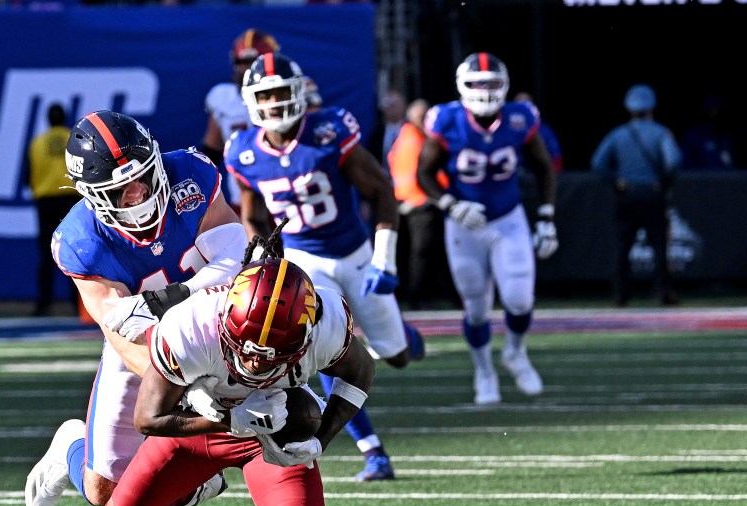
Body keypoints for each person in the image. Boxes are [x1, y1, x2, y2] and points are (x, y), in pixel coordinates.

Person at [23, 110, 361, 506]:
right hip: (148, 353)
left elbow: (232, 263)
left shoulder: (191, 177)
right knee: (102, 492)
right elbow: (125, 334)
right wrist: (185, 384)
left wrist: (173, 301)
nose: (137, 195)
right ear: (95, 196)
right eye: (121, 190)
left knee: (291, 442)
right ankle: (71, 448)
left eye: (141, 177)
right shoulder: (79, 241)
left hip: (226, 325)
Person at [99, 247, 373, 506]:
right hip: (198, 425)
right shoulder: (191, 327)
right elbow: (149, 418)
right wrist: (227, 419)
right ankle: (77, 443)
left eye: (270, 356)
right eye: (244, 348)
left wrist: (322, 441)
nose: (252, 363)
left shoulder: (326, 324)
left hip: (274, 429)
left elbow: (360, 371)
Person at [224, 51, 425, 483]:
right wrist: (263, 262)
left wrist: (384, 256)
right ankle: (374, 452)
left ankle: (407, 338)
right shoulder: (241, 150)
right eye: (267, 96)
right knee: (326, 350)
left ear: (299, 94)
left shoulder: (329, 129)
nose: (276, 105)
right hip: (302, 261)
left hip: (354, 253)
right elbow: (252, 214)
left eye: (283, 94)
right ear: (251, 101)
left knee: (397, 355)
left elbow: (382, 190)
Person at [416, 52, 558, 406]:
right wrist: (452, 204)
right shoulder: (447, 120)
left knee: (520, 298)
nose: (485, 90)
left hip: (508, 218)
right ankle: (483, 370)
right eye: (478, 83)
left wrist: (547, 216)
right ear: (463, 87)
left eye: (492, 83)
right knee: (476, 307)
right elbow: (424, 173)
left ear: (505, 85)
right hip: (464, 224)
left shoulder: (519, 118)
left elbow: (544, 167)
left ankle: (515, 351)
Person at [591, 84, 682, 307]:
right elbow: (673, 162)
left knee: (622, 246)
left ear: (630, 109)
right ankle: (663, 293)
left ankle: (620, 295)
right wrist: (662, 181)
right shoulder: (660, 133)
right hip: (652, 195)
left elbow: (598, 163)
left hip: (626, 196)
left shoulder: (619, 134)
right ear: (651, 108)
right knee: (659, 245)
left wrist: (616, 180)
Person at [386, 98, 455, 310]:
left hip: (409, 201)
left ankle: (427, 294)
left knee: (423, 252)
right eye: (422, 117)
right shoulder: (414, 139)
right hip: (420, 202)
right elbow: (422, 174)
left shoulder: (406, 137)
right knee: (422, 252)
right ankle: (417, 297)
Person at [201, 28, 281, 211]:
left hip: (287, 191)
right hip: (244, 196)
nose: (248, 70)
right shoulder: (222, 98)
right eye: (242, 62)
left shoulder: (288, 91)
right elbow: (212, 150)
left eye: (254, 62)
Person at [26, 103, 83, 317]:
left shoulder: (37, 142)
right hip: (71, 199)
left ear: (48, 119)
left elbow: (27, 176)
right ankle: (79, 304)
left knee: (46, 253)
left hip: (46, 201)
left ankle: (44, 303)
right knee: (77, 251)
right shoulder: (75, 139)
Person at [679, 94, 736, 171]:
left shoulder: (723, 137)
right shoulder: (693, 135)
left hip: (720, 180)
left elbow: (729, 164)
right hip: (697, 180)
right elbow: (684, 164)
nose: (713, 115)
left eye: (715, 110)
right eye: (709, 110)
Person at [513, 92, 563, 172]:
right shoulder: (506, 130)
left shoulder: (544, 130)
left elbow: (556, 158)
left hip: (539, 173)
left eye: (525, 107)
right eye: (519, 108)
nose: (522, 112)